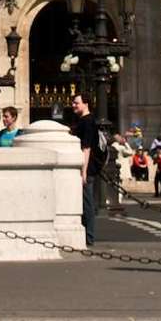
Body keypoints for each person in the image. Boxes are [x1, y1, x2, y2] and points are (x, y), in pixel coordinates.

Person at [67, 93, 101, 246]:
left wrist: (84, 171)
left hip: (87, 167)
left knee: (87, 203)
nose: (73, 105)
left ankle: (89, 237)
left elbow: (86, 148)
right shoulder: (83, 120)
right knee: (83, 202)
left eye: (76, 103)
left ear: (85, 104)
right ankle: (86, 234)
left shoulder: (87, 122)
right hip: (86, 166)